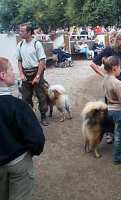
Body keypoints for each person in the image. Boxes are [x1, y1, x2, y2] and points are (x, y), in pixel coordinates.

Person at [0, 57, 45, 200]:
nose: (14, 73)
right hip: (18, 163)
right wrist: (30, 153)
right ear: (2, 75)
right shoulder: (18, 106)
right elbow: (37, 139)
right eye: (11, 70)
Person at [17, 23, 49, 126]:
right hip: (25, 74)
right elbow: (19, 61)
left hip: (37, 72)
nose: (20, 33)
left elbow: (42, 61)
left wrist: (38, 76)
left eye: (22, 31)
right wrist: (21, 74)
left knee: (41, 96)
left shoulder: (37, 44)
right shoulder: (20, 45)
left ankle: (43, 116)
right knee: (26, 97)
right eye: (20, 31)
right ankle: (29, 117)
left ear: (29, 32)